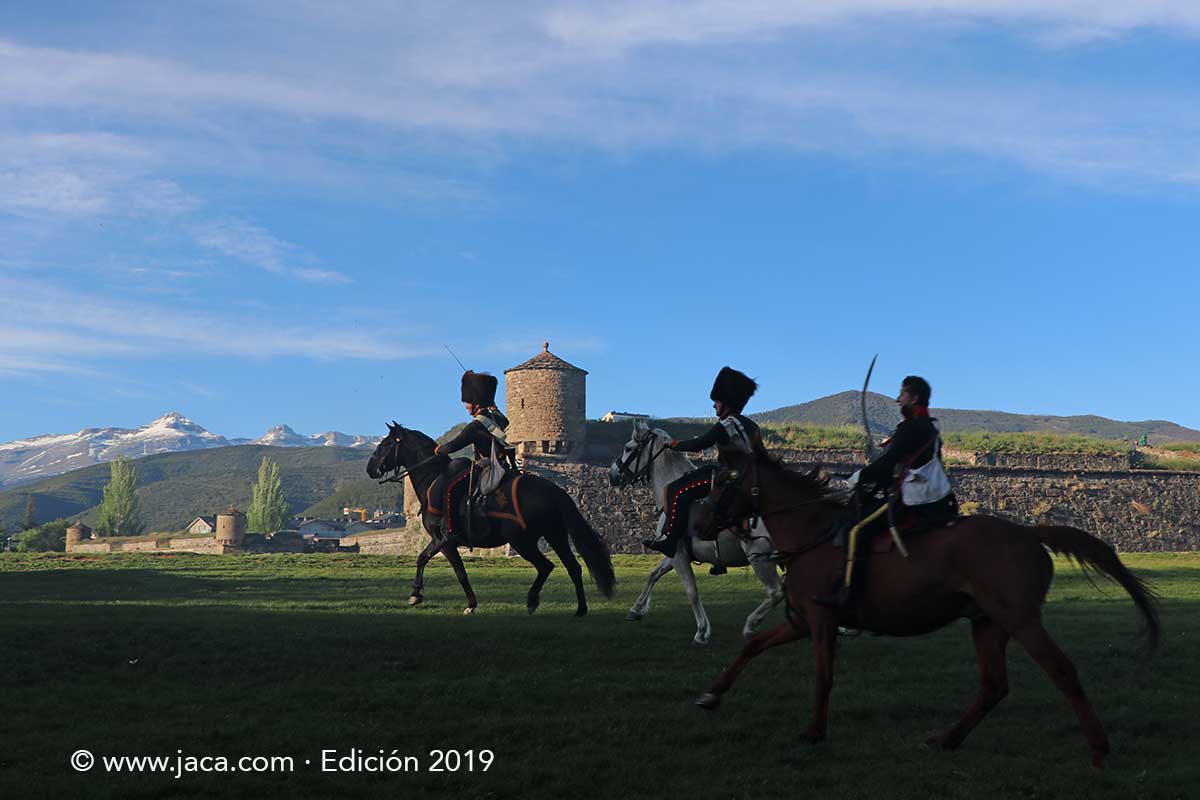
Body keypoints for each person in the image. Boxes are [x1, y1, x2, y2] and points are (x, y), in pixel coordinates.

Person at [820, 375, 958, 607]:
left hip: (915, 497)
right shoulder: (931, 427)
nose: (898, 399)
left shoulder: (911, 428)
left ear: (913, 399)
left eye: (902, 394)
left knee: (856, 531)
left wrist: (859, 477)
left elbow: (890, 463)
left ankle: (851, 595)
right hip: (937, 496)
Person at [642, 367, 766, 568]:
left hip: (728, 475)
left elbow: (699, 443)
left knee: (676, 489)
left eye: (717, 402)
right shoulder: (752, 425)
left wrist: (674, 444)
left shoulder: (726, 425)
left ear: (726, 402)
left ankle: (670, 540)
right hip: (754, 476)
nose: (714, 406)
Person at [427, 371, 514, 544]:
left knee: (451, 487)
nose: (466, 406)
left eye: (468, 402)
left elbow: (453, 446)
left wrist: (438, 449)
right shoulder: (495, 418)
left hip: (487, 467)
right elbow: (505, 421)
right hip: (503, 464)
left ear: (475, 404)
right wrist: (494, 407)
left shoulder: (474, 426)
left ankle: (451, 530)